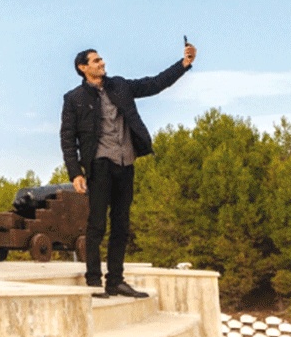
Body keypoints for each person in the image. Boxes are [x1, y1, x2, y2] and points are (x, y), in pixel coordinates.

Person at [60, 42, 197, 298]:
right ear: (83, 67)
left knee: (121, 225)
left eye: (102, 59)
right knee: (97, 224)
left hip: (126, 162)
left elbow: (154, 84)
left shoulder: (120, 86)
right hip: (99, 164)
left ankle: (116, 281)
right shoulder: (74, 99)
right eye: (96, 60)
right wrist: (75, 172)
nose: (102, 63)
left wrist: (184, 64)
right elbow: (68, 138)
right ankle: (93, 281)